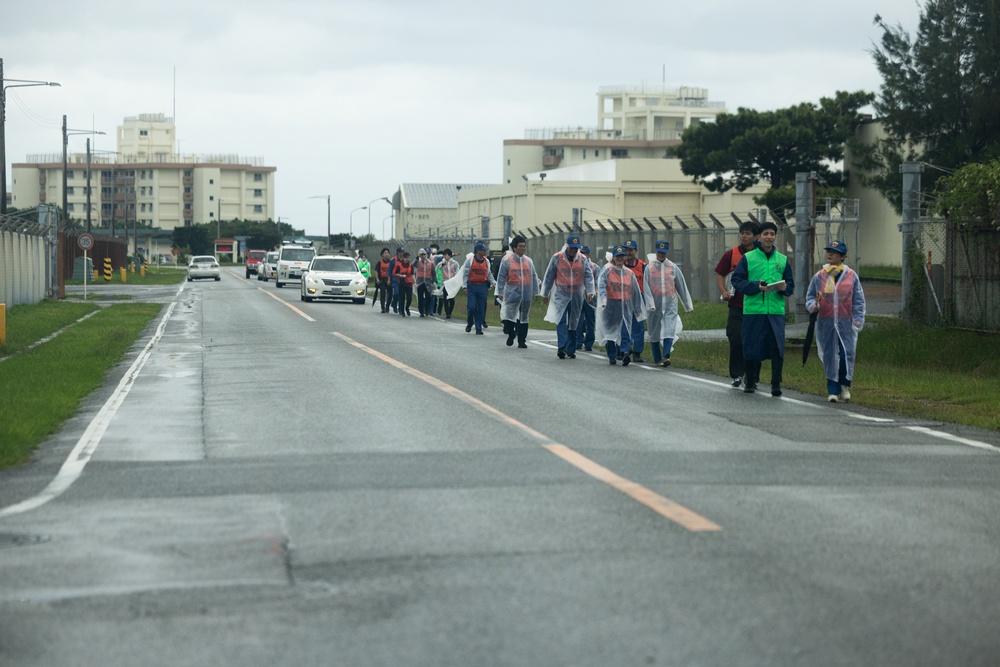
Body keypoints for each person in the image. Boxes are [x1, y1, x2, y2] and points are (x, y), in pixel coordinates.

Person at [731, 221, 795, 396]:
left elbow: (790, 284)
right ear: (758, 237)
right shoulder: (749, 258)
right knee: (751, 347)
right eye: (765, 234)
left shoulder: (782, 260)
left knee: (777, 348)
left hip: (775, 311)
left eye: (772, 234)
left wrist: (784, 288)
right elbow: (737, 280)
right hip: (754, 311)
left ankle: (776, 384)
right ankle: (750, 381)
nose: (769, 237)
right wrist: (754, 286)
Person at [805, 240, 866, 402]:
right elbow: (810, 296)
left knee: (847, 354)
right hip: (826, 323)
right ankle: (832, 390)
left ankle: (844, 386)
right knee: (830, 355)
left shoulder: (851, 276)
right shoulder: (820, 276)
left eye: (835, 252)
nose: (830, 254)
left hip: (846, 323)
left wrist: (858, 319)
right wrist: (813, 306)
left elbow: (858, 300)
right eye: (829, 251)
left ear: (843, 256)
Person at [714, 221, 760, 387]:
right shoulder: (731, 254)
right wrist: (723, 291)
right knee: (736, 339)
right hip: (736, 305)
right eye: (742, 233)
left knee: (754, 342)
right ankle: (736, 374)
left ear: (756, 236)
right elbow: (720, 274)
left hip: (756, 306)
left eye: (748, 233)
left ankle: (752, 377)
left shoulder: (761, 255)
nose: (744, 236)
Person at [542, 234, 595, 359]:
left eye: (576, 248)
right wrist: (545, 293)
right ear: (567, 246)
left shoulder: (582, 259)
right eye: (572, 248)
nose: (573, 251)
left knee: (573, 321)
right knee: (561, 319)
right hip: (561, 293)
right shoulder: (557, 257)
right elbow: (549, 275)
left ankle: (571, 349)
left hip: (576, 294)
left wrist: (590, 291)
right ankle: (562, 347)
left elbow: (588, 275)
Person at [643, 240, 693, 368]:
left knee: (669, 328)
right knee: (654, 331)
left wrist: (686, 303)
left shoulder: (673, 267)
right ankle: (657, 358)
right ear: (656, 252)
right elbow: (646, 287)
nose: (661, 255)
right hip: (655, 304)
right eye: (659, 252)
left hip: (670, 303)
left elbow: (681, 285)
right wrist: (650, 303)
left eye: (663, 253)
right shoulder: (649, 268)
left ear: (667, 253)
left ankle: (666, 356)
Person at [596, 245, 646, 366]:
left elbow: (635, 291)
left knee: (625, 330)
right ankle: (612, 355)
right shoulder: (607, 270)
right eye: (617, 256)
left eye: (622, 256)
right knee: (610, 332)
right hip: (610, 306)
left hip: (625, 306)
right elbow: (601, 285)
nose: (620, 258)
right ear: (613, 257)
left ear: (625, 258)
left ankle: (625, 353)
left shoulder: (629, 273)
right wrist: (603, 300)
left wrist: (637, 307)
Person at [495, 235, 540, 349]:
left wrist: (536, 292)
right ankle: (511, 333)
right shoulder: (507, 260)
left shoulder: (528, 261)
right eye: (520, 246)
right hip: (512, 293)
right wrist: (499, 292)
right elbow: (501, 277)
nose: (523, 248)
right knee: (509, 317)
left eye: (524, 246)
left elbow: (534, 276)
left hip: (526, 294)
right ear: (514, 248)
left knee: (524, 318)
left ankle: (522, 341)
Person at [461, 242, 496, 334]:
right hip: (472, 286)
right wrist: (464, 286)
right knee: (471, 307)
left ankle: (478, 327)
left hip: (482, 286)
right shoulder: (470, 261)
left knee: (481, 308)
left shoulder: (486, 261)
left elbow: (488, 274)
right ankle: (470, 322)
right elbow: (465, 274)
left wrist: (493, 282)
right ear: (478, 251)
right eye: (483, 250)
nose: (485, 252)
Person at [623, 239, 647, 362]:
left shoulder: (642, 266)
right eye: (626, 250)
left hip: (638, 298)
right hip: (623, 298)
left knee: (638, 325)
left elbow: (647, 283)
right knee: (624, 324)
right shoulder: (620, 264)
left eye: (630, 250)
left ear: (636, 251)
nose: (628, 252)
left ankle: (637, 352)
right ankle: (624, 349)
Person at [576, 245, 597, 351]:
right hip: (579, 295)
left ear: (588, 255)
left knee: (590, 320)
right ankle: (578, 341)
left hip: (590, 297)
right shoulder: (575, 265)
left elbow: (598, 281)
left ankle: (589, 342)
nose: (583, 255)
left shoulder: (594, 267)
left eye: (585, 253)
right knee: (578, 319)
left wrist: (593, 291)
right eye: (581, 253)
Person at [437, 249, 459, 318]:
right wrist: (442, 265)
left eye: (446, 255)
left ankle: (450, 311)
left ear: (449, 255)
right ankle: (447, 313)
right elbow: (438, 268)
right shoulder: (442, 263)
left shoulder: (455, 263)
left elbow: (457, 272)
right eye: (444, 255)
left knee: (452, 299)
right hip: (445, 283)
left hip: (452, 283)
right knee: (445, 298)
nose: (444, 256)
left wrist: (455, 281)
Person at [414, 248, 436, 317]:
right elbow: (413, 265)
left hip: (428, 282)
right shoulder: (418, 262)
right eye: (421, 254)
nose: (423, 256)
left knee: (428, 296)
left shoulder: (430, 263)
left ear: (426, 255)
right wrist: (417, 257)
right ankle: (421, 311)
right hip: (420, 282)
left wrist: (434, 281)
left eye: (424, 254)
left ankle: (426, 309)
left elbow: (433, 272)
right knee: (420, 297)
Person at [392, 251, 415, 317]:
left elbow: (412, 274)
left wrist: (415, 282)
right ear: (403, 258)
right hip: (402, 283)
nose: (407, 259)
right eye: (406, 258)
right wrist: (401, 276)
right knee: (402, 298)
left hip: (409, 283)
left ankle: (407, 308)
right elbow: (395, 273)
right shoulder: (399, 265)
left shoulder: (410, 265)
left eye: (408, 258)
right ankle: (402, 311)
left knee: (409, 298)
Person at [374, 247, 392, 313]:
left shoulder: (391, 262)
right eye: (385, 253)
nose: (386, 254)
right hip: (382, 280)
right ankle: (383, 307)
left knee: (390, 294)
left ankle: (387, 306)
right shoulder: (380, 262)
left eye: (387, 253)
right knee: (383, 293)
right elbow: (376, 271)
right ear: (382, 255)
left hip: (389, 279)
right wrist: (377, 279)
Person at [388, 246, 405, 313]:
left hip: (402, 279)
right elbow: (389, 270)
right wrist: (389, 279)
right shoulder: (393, 260)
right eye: (401, 252)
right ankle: (394, 304)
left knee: (401, 295)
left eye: (403, 252)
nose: (402, 253)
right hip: (395, 279)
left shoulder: (404, 260)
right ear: (398, 252)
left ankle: (400, 309)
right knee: (396, 293)